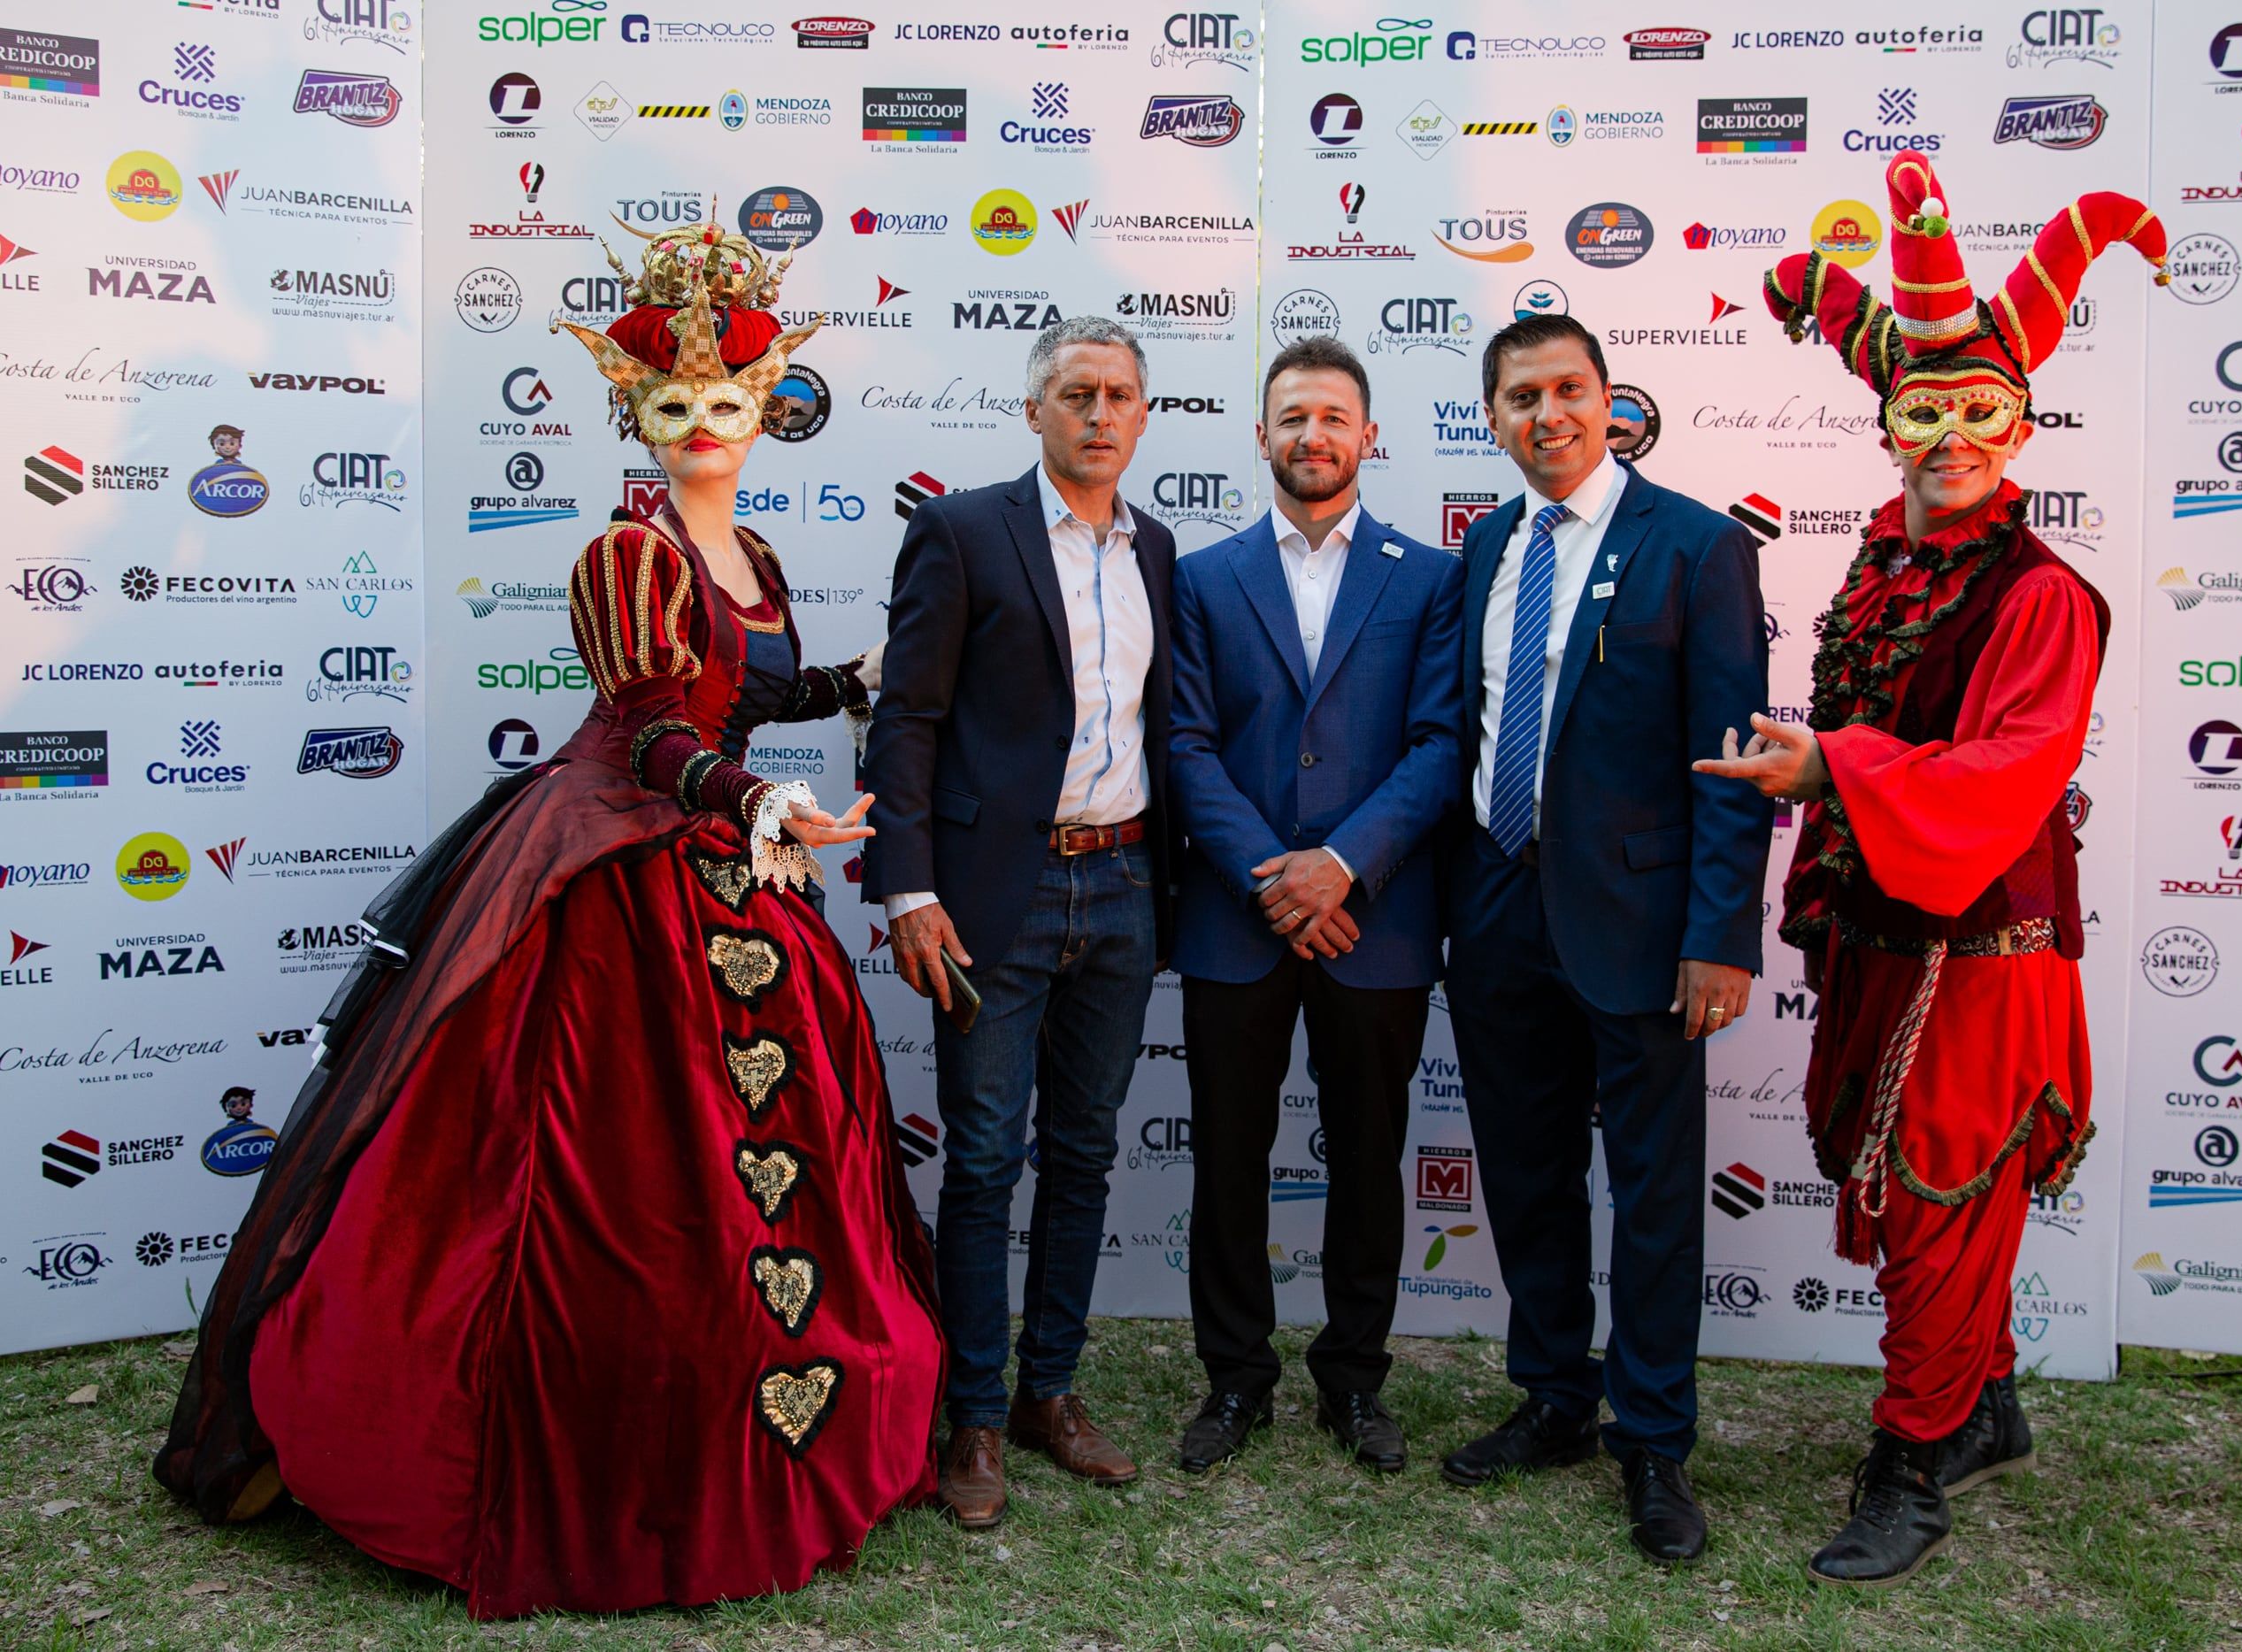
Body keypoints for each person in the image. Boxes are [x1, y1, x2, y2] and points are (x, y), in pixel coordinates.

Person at [155, 209, 941, 1619]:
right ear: (632, 414)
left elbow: (748, 693)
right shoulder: (626, 556)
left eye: (726, 402)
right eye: (670, 404)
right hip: (615, 865)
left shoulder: (754, 555)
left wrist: (854, 684)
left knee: (768, 1151)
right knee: (604, 1162)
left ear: (767, 411)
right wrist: (757, 805)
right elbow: (647, 732)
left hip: (720, 842)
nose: (701, 426)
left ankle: (779, 1408)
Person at [1696, 150, 2162, 1587]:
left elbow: (2011, 773)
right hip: (1885, 932)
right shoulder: (1886, 568)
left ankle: (1911, 1460)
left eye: (1979, 411)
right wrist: (1819, 767)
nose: (1950, 434)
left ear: (2021, 421)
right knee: (1924, 1197)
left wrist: (1831, 765)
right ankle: (1992, 1403)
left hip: (1984, 955)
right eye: (1924, 409)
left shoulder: (2041, 592)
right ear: (1889, 419)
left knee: (1942, 1196)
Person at [1440, 312, 1770, 1564]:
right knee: (1525, 1174)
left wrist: (1721, 935)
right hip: (1499, 911)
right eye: (1520, 396)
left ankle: (1655, 1436)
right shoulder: (1484, 547)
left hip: (1643, 929)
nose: (1548, 415)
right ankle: (1555, 1396)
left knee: (1652, 1194)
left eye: (1568, 389)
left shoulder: (1697, 546)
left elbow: (1735, 764)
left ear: (1609, 396)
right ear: (1494, 416)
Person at [864, 316, 1176, 1528]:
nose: (1101, 414)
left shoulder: (1157, 549)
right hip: (997, 894)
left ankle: (1051, 1390)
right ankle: (975, 1415)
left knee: (1087, 1152)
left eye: (1121, 396)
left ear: (1146, 417)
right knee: (987, 1158)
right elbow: (907, 718)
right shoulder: (960, 530)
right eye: (1078, 393)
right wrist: (910, 885)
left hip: (1128, 884)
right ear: (1036, 409)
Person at [1166, 337, 1463, 1475]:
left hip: (1373, 921)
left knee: (1367, 1159)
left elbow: (1441, 745)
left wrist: (1340, 865)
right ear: (1260, 435)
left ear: (1368, 435)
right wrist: (1278, 879)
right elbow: (1186, 746)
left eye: (1334, 417)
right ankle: (1235, 1381)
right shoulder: (1199, 577)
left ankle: (1354, 1381)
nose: (1313, 436)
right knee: (1227, 1161)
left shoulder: (1427, 577)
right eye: (1292, 417)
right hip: (1236, 921)